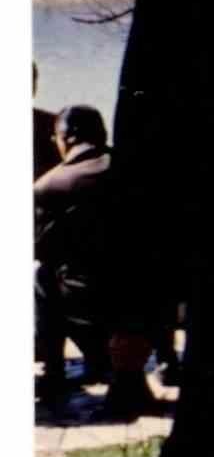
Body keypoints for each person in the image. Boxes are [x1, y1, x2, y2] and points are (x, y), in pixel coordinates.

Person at [33, 104, 150, 412]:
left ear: (66, 138)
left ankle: (53, 372)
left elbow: (43, 250)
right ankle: (158, 364)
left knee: (41, 275)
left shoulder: (49, 186)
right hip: (148, 301)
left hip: (92, 307)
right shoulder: (138, 171)